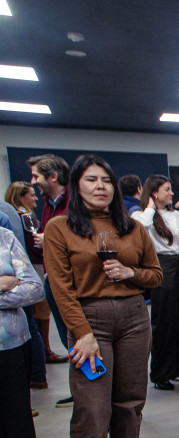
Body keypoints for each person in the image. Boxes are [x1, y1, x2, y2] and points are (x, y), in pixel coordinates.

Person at [43, 154, 162, 438]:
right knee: (92, 412)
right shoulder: (61, 228)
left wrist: (130, 272)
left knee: (130, 407)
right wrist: (82, 334)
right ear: (76, 186)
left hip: (134, 319)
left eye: (106, 180)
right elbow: (61, 289)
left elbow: (155, 275)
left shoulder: (132, 228)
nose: (100, 186)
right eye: (91, 179)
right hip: (89, 320)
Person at [0, 225, 60, 438]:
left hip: (11, 346)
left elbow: (34, 288)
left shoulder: (4, 236)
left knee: (18, 423)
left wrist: (11, 286)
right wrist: (2, 284)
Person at [131, 175, 179, 390]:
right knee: (164, 320)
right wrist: (150, 207)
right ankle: (161, 373)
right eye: (167, 189)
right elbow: (140, 230)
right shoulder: (141, 215)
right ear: (154, 192)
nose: (172, 193)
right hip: (162, 266)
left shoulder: (176, 215)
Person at [28, 154, 76, 405]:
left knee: (81, 335)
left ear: (53, 176)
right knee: (69, 338)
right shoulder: (49, 204)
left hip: (72, 281)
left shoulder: (76, 202)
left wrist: (51, 239)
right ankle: (81, 390)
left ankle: (93, 390)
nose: (33, 181)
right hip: (52, 279)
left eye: (36, 176)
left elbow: (86, 239)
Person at [7, 181, 63, 373]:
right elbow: (33, 245)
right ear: (20, 197)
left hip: (29, 268)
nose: (35, 198)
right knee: (41, 314)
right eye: (31, 195)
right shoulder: (25, 217)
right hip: (36, 267)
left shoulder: (15, 216)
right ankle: (44, 352)